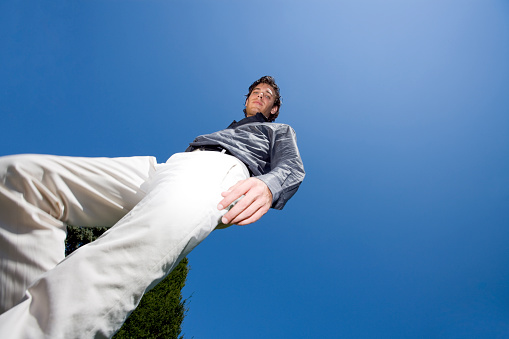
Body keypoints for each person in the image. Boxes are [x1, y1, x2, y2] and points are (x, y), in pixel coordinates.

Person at [0, 76, 305, 338]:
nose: (259, 97)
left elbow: (292, 167)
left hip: (220, 172)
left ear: (274, 109)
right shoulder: (231, 126)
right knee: (21, 180)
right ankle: (15, 321)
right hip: (169, 166)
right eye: (256, 93)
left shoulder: (278, 131)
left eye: (267, 96)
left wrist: (268, 186)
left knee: (132, 250)